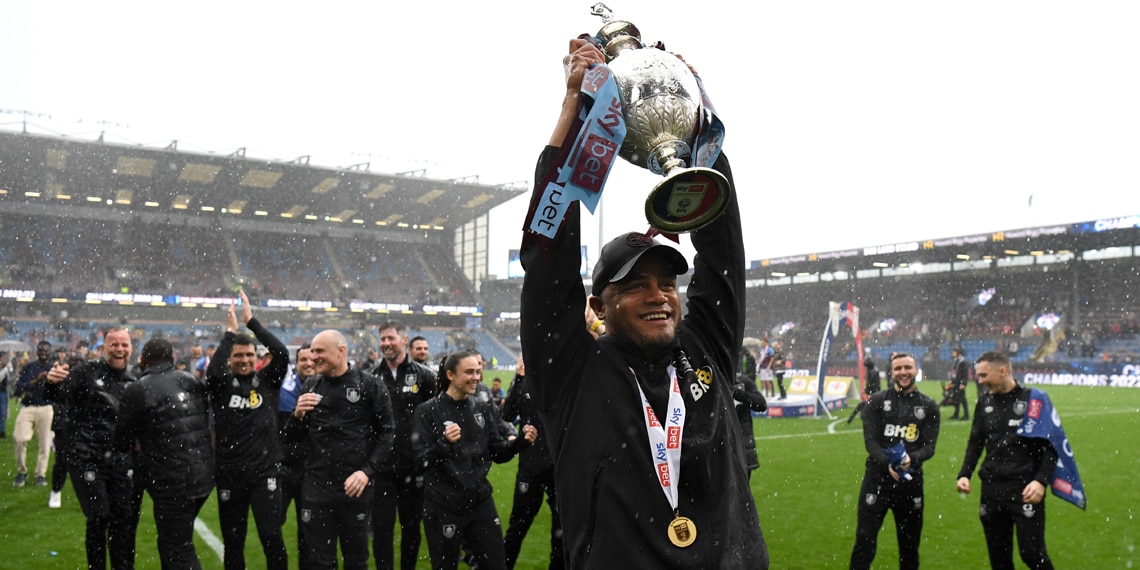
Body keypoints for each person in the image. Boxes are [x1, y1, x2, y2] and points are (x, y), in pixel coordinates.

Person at [518, 38, 768, 567]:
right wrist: (577, 112)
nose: (658, 296)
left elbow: (722, 248)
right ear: (599, 305)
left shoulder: (706, 351)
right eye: (634, 285)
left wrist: (695, 125)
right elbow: (547, 256)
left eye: (667, 283)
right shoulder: (571, 373)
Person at [412, 349, 537, 570]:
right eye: (470, 372)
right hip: (444, 504)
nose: (476, 377)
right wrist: (444, 443)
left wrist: (520, 442)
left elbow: (497, 452)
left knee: (496, 564)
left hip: (479, 501)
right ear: (451, 375)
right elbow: (420, 461)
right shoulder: (428, 411)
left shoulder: (481, 406)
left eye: (478, 372)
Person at [285, 329, 396, 570]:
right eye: (312, 351)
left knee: (356, 560)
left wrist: (366, 472)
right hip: (317, 488)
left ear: (341, 350)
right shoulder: (311, 386)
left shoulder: (370, 385)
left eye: (319, 351)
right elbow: (290, 438)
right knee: (319, 561)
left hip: (354, 489)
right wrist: (297, 415)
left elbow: (388, 434)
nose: (313, 357)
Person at [44, 327, 142, 569]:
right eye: (114, 344)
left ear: (131, 348)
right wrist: (51, 382)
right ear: (104, 347)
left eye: (124, 345)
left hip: (120, 461)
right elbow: (58, 394)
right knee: (99, 517)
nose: (119, 349)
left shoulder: (135, 380)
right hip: (86, 457)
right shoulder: (87, 372)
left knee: (123, 521)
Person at [205, 292, 289, 570]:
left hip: (265, 473)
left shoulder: (268, 381)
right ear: (231, 358)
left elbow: (283, 353)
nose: (244, 359)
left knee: (271, 536)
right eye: (238, 355)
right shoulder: (221, 385)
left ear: (257, 357)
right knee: (233, 541)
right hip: (230, 473)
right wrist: (230, 333)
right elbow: (213, 372)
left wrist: (251, 322)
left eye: (249, 354)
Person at [114, 338, 215, 569]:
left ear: (142, 359)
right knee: (176, 543)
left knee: (177, 549)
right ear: (171, 358)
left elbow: (121, 440)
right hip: (203, 474)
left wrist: (140, 440)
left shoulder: (138, 388)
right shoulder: (191, 380)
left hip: (173, 480)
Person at [956, 351, 1057, 570]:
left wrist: (1041, 481)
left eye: (983, 375)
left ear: (1002, 371)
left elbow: (1051, 446)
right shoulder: (983, 403)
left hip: (1025, 488)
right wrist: (964, 474)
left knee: (1032, 555)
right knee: (999, 560)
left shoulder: (1034, 400)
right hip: (992, 489)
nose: (980, 380)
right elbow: (975, 442)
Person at [849, 352, 941, 570]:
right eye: (898, 369)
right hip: (877, 481)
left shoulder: (928, 406)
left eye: (907, 367)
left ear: (916, 370)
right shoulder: (877, 402)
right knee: (864, 542)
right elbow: (870, 442)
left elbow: (929, 447)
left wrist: (913, 459)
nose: (903, 373)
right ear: (891, 373)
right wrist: (886, 464)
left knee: (909, 547)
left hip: (910, 483)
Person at [367, 320, 437, 570]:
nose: (386, 343)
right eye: (382, 339)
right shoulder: (372, 378)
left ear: (404, 340)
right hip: (382, 468)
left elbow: (436, 417)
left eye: (390, 338)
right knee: (382, 529)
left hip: (414, 468)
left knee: (411, 527)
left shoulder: (425, 376)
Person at [500, 356, 564, 569]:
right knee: (517, 528)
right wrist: (518, 379)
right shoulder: (525, 380)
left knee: (561, 534)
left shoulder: (564, 377)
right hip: (530, 467)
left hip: (559, 468)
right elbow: (507, 414)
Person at [279, 343, 313, 569]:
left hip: (313, 472)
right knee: (271, 526)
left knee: (308, 532)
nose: (309, 364)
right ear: (296, 363)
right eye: (303, 360)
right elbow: (283, 434)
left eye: (312, 359)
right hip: (284, 469)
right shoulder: (285, 391)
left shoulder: (328, 388)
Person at [13, 340, 56, 487]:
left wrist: (50, 381)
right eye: (41, 350)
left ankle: (40, 474)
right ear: (36, 351)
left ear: (50, 352)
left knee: (44, 443)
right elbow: (18, 389)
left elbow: (60, 391)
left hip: (46, 407)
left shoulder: (54, 369)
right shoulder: (28, 367)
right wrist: (36, 380)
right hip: (28, 406)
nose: (43, 353)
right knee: (19, 439)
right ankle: (22, 471)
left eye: (46, 351)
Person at [734, 349, 768, 481]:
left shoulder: (743, 382)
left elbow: (761, 404)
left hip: (743, 444)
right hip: (723, 447)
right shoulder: (715, 382)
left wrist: (740, 394)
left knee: (743, 492)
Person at [848, 348, 881, 424]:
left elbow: (872, 384)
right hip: (874, 392)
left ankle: (863, 419)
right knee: (866, 406)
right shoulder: (874, 370)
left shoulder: (873, 372)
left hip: (873, 393)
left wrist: (867, 391)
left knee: (864, 406)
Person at [949, 347, 970, 421]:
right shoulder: (956, 361)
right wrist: (952, 381)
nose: (952, 353)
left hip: (960, 383)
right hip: (956, 383)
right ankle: (956, 414)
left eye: (954, 352)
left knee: (962, 399)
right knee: (956, 399)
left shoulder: (963, 362)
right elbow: (954, 372)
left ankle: (966, 415)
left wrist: (963, 383)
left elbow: (965, 374)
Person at [0, 351, 12, 439]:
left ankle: (2, 431)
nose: (5, 360)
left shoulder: (6, 367)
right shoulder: (4, 369)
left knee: (3, 412)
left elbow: (10, 379)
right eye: (3, 358)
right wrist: (5, 370)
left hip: (3, 392)